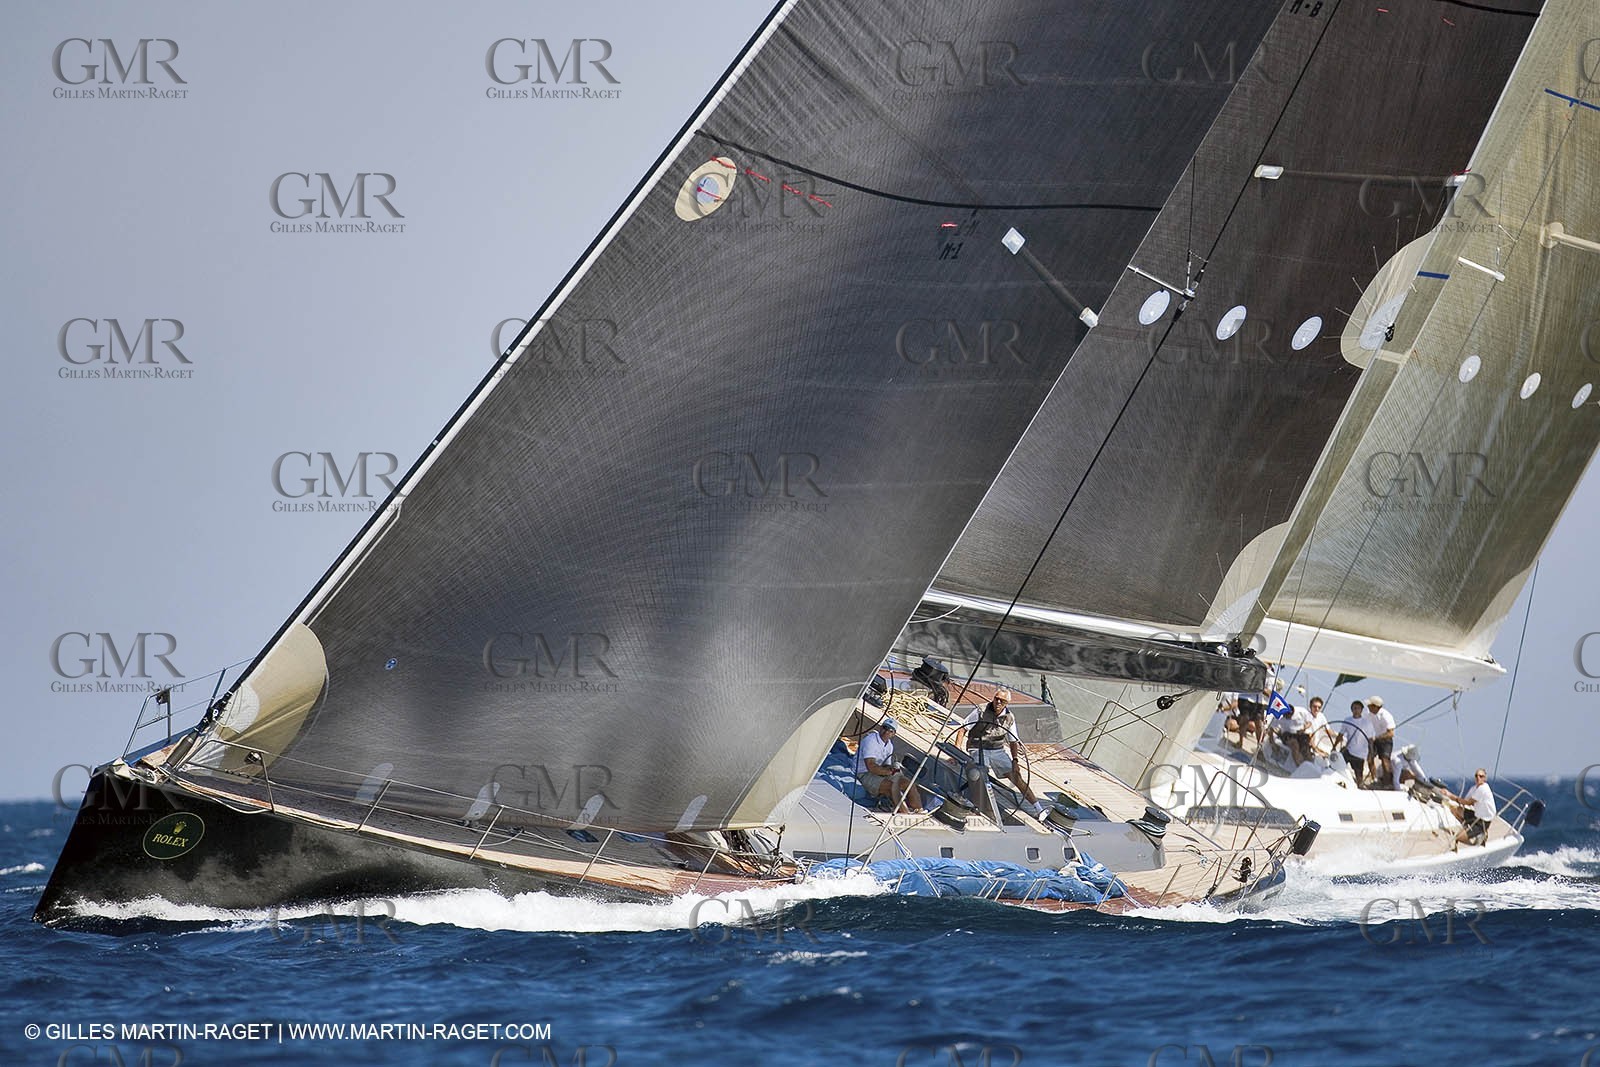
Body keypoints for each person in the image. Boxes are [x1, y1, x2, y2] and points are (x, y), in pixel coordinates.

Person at [955, 689, 1048, 819]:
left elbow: (1013, 741)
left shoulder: (1010, 718)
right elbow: (963, 728)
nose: (998, 702)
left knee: (1016, 777)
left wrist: (1015, 761)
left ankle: (1038, 808)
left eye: (1002, 701)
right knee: (981, 774)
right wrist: (957, 750)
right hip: (977, 747)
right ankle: (976, 805)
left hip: (997, 750)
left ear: (1007, 703)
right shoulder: (980, 710)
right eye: (996, 698)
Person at [854, 717, 924, 814]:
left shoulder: (889, 745)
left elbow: (886, 765)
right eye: (885, 728)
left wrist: (893, 770)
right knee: (891, 787)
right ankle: (905, 813)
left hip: (878, 772)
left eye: (890, 730)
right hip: (863, 773)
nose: (886, 732)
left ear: (893, 734)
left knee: (908, 783)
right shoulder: (871, 741)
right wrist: (889, 772)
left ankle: (919, 810)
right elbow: (871, 766)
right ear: (880, 728)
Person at [1448, 768, 1495, 847]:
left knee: (1458, 837)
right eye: (1476, 776)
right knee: (1455, 810)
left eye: (1481, 776)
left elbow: (1468, 803)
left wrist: (1449, 795)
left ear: (1485, 778)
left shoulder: (1483, 789)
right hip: (1476, 816)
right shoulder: (1474, 788)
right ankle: (1467, 826)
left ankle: (1474, 844)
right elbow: (1465, 801)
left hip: (1482, 823)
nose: (1478, 778)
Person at [1333, 700, 1373, 787]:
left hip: (1360, 754)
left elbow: (1370, 740)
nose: (1356, 710)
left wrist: (1370, 754)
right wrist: (1334, 746)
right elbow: (1340, 734)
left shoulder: (1367, 723)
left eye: (1358, 708)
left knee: (1359, 775)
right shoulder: (1347, 720)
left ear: (1361, 710)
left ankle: (1360, 787)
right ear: (1351, 710)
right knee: (1337, 766)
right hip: (1349, 750)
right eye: (1354, 708)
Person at [1366, 695, 1397, 788]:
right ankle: (1375, 779)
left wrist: (1378, 737)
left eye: (1370, 705)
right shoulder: (1368, 714)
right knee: (1370, 758)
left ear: (1375, 707)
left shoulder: (1386, 716)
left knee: (1385, 761)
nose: (1368, 707)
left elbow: (1391, 733)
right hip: (1373, 738)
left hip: (1385, 740)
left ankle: (1387, 784)